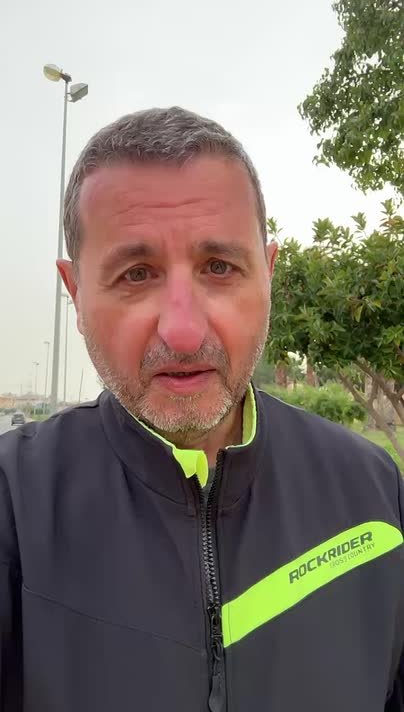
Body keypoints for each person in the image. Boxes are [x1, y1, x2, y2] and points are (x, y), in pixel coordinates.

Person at [0, 107, 403, 712]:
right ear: (76, 294)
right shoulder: (13, 506)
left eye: (220, 267)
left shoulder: (375, 495)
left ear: (267, 275)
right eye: (137, 274)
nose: (183, 332)